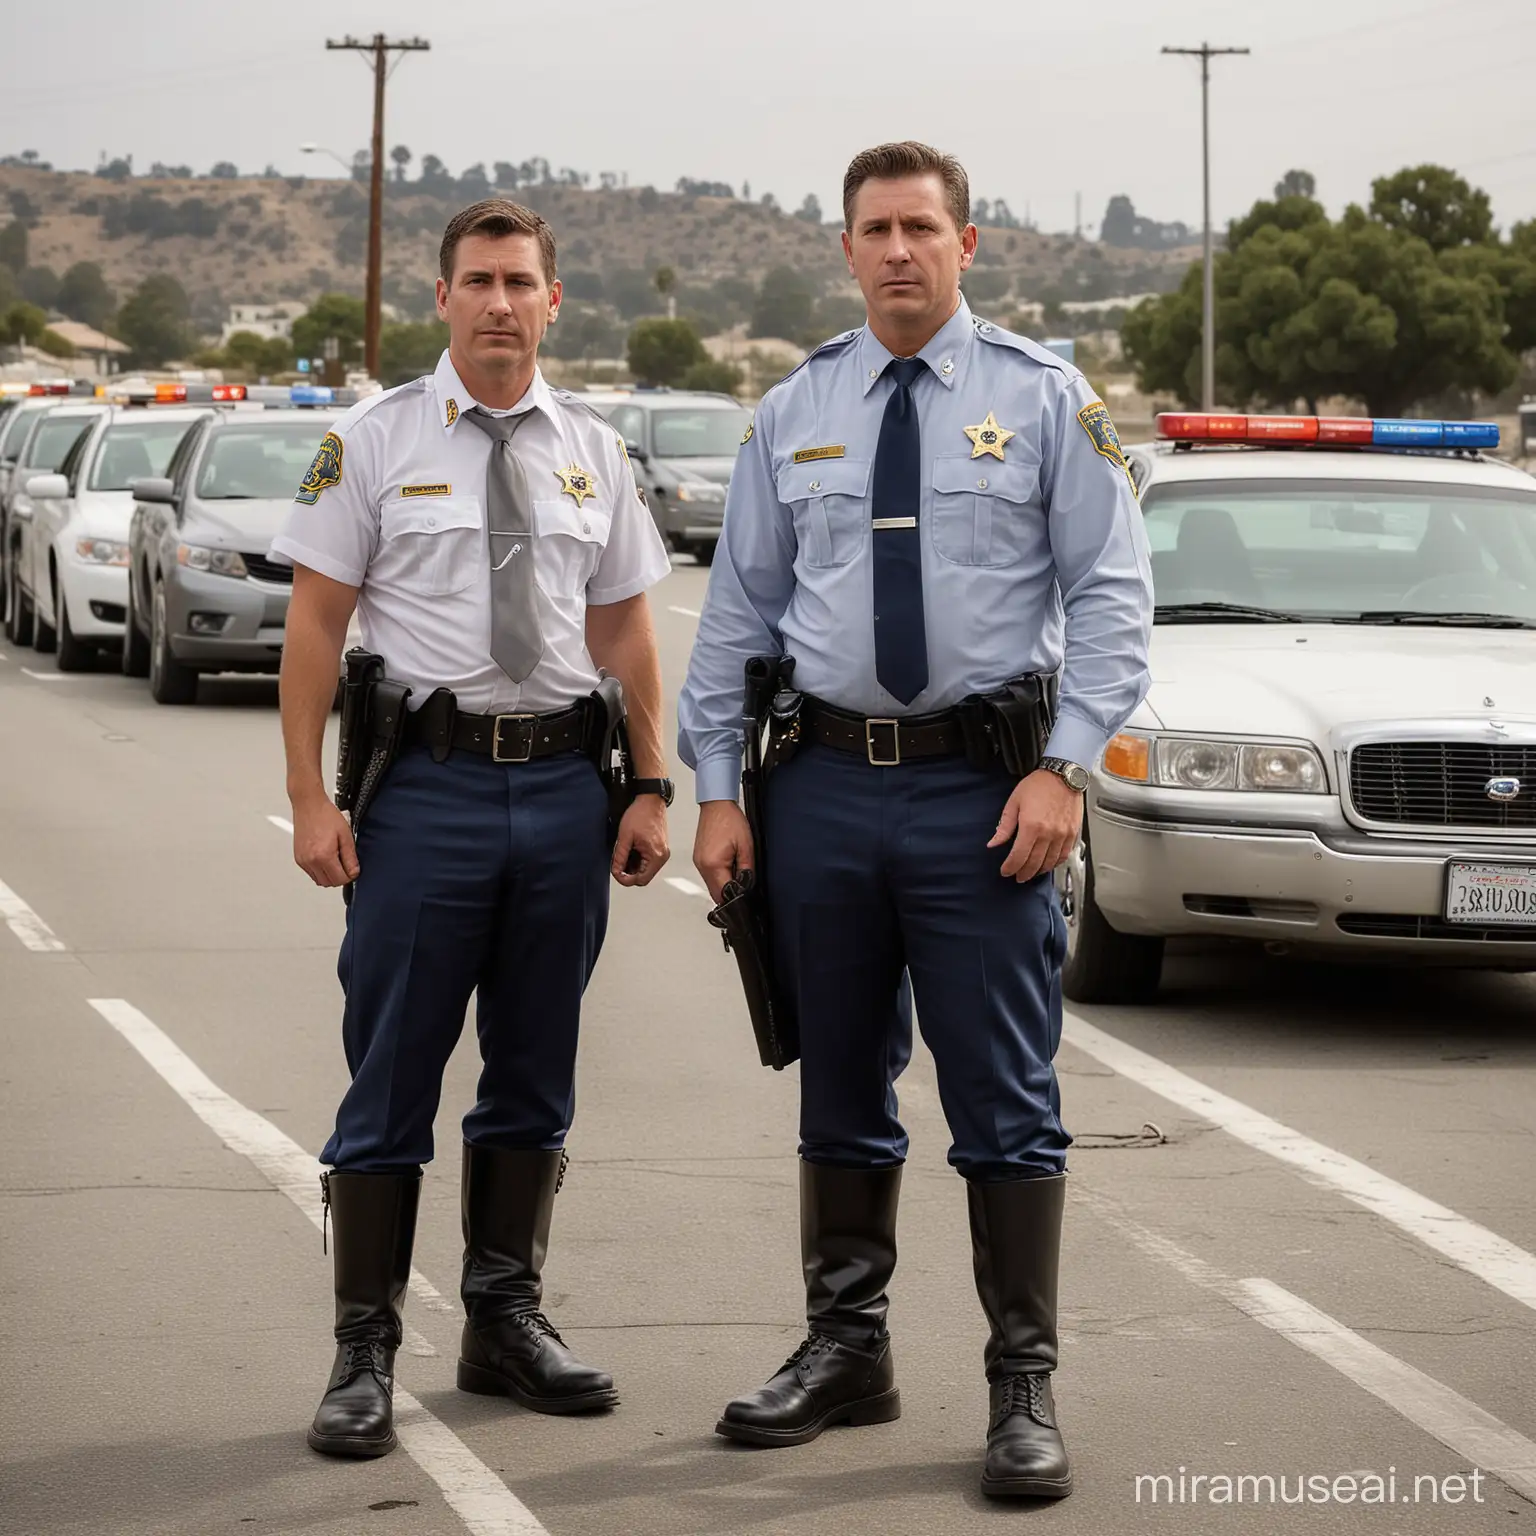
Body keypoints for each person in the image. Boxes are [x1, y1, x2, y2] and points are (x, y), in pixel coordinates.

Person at [677, 142, 1153, 1500]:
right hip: (818, 786)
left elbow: (1116, 602)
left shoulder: (1048, 401)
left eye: (920, 228)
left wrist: (1064, 770)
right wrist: (720, 788)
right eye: (874, 230)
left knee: (1004, 1097)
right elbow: (738, 618)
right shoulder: (795, 410)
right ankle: (847, 1352)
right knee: (838, 1076)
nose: (897, 250)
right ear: (846, 250)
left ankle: (1022, 1387)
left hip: (981, 790)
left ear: (968, 244)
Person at [271, 198, 675, 1460]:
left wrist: (652, 783)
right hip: (427, 792)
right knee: (392, 1068)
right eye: (479, 281)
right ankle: (363, 1350)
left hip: (564, 790)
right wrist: (308, 798)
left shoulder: (594, 454)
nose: (501, 303)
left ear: (555, 301)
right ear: (441, 298)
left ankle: (503, 1320)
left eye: (521, 282)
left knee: (535, 1066)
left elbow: (625, 633)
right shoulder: (373, 440)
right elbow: (317, 627)